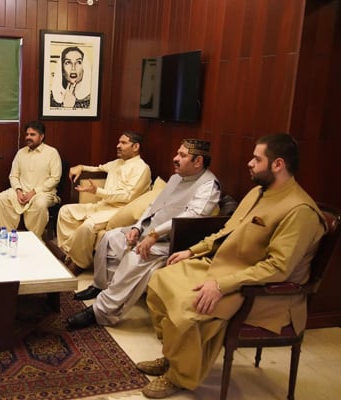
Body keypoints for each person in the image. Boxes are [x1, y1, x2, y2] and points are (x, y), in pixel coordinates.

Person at [136, 133, 327, 398]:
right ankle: (174, 356)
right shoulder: (259, 192)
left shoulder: (299, 210)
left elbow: (277, 268)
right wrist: (192, 251)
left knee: (186, 305)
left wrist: (221, 285)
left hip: (261, 292)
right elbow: (227, 231)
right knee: (160, 280)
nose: (250, 163)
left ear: (278, 164)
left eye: (257, 159)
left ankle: (179, 376)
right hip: (224, 268)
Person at [66, 139, 221, 330]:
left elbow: (190, 218)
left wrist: (155, 234)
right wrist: (137, 228)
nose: (175, 158)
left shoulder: (209, 186)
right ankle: (100, 286)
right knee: (109, 238)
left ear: (198, 162)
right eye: (177, 153)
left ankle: (101, 312)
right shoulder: (176, 178)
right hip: (149, 232)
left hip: (171, 242)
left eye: (182, 155)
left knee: (136, 257)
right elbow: (152, 207)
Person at [56, 131, 151, 275]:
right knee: (65, 211)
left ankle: (80, 263)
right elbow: (98, 168)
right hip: (102, 206)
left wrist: (98, 191)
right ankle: (68, 253)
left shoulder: (142, 168)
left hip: (118, 210)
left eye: (124, 143)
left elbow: (128, 196)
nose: (118, 146)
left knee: (87, 227)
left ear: (136, 146)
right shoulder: (117, 163)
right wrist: (81, 166)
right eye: (119, 142)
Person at [0, 120, 62, 238]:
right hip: (21, 191)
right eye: (27, 134)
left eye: (32, 135)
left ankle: (35, 238)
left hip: (43, 193)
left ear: (41, 137)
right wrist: (18, 190)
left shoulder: (52, 153)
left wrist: (34, 192)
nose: (28, 137)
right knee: (1, 198)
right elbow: (13, 175)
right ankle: (9, 235)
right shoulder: (21, 153)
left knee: (40, 204)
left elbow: (55, 178)